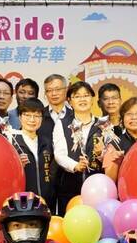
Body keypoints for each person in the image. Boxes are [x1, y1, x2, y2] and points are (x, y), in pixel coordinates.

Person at [52, 81, 104, 215]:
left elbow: (110, 156)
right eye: (77, 96)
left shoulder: (103, 124)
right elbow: (59, 154)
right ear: (69, 101)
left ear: (92, 99)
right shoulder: (62, 124)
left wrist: (101, 154)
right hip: (69, 186)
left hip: (97, 186)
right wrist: (75, 166)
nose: (82, 99)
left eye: (86, 95)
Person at [11, 98, 57, 210]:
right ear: (20, 117)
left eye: (37, 116)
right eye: (27, 115)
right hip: (22, 201)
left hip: (46, 201)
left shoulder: (47, 142)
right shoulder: (13, 141)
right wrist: (17, 166)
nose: (32, 120)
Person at [102, 97, 137, 181]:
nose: (134, 117)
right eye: (129, 114)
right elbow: (109, 180)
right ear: (122, 119)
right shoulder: (114, 145)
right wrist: (115, 162)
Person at [41, 74, 73, 138]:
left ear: (66, 90)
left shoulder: (74, 116)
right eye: (49, 90)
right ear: (45, 93)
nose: (54, 94)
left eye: (58, 89)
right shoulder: (39, 115)